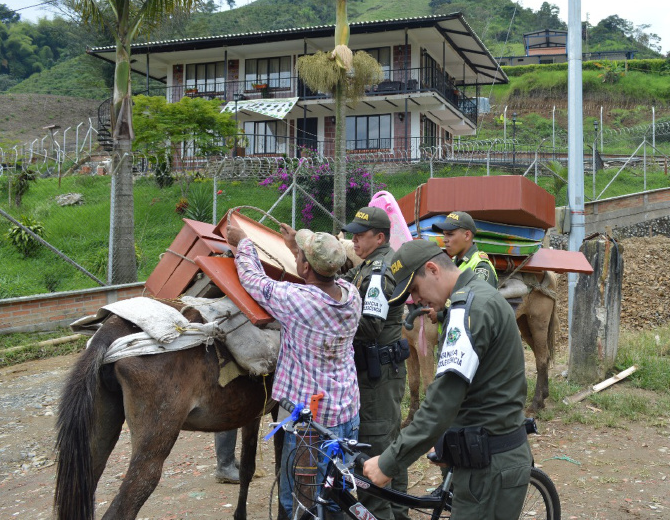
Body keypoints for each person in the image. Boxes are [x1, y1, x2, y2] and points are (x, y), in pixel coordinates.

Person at [362, 239, 532, 520]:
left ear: (432, 269)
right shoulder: (475, 299)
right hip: (487, 460)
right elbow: (476, 390)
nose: (416, 301)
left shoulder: (469, 309)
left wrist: (389, 462)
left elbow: (443, 399)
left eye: (415, 289)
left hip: (489, 468)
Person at [227, 223, 360, 518]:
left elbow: (252, 279)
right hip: (347, 413)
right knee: (336, 496)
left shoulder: (296, 300)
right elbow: (317, 275)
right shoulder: (351, 295)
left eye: (301, 255)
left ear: (305, 265)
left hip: (312, 425)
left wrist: (243, 243)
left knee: (301, 505)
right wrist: (294, 249)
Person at [341, 207, 410, 520]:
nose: (353, 239)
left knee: (375, 450)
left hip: (377, 376)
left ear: (379, 237)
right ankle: (398, 512)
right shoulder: (368, 265)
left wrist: (334, 322)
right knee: (391, 447)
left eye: (360, 234)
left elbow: (370, 326)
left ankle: (385, 513)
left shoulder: (379, 271)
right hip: (381, 371)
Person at [431, 211, 498, 288]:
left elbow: (481, 298)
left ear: (467, 235)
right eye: (444, 234)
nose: (444, 240)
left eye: (450, 234)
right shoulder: (453, 262)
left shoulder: (480, 266)